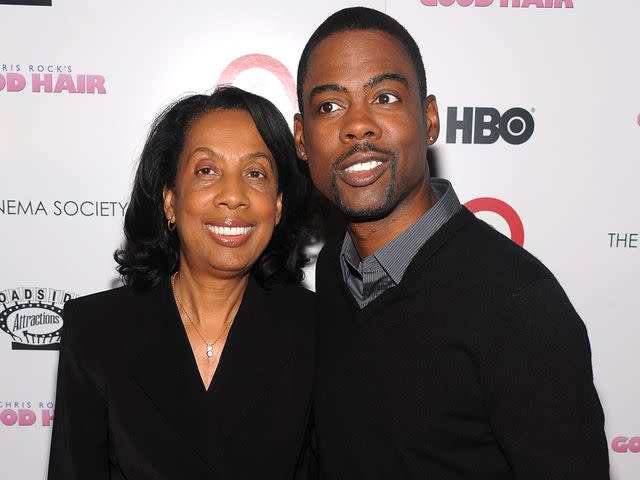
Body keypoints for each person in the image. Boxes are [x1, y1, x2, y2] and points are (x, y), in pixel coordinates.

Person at [294, 7, 609, 479]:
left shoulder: (521, 306)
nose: (357, 125)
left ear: (430, 118)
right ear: (302, 139)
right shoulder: (335, 272)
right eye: (330, 106)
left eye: (384, 97)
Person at [48, 86, 315, 479]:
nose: (233, 196)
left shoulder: (317, 331)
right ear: (170, 199)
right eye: (207, 171)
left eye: (255, 173)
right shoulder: (95, 331)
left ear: (277, 206)